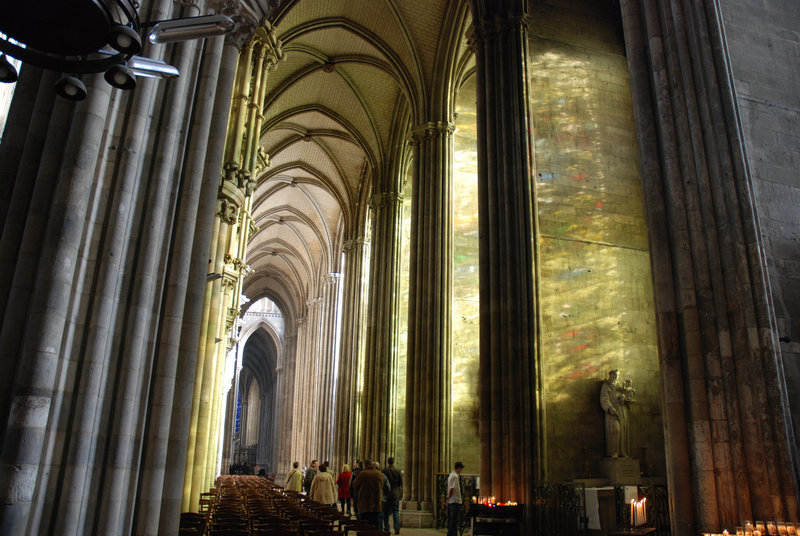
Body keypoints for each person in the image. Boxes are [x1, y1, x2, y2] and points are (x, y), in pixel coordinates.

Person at [600, 370, 634, 457]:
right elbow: (604, 398)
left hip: (622, 410)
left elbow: (629, 393)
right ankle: (613, 452)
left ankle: (623, 452)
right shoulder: (606, 386)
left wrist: (624, 398)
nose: (615, 376)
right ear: (610, 375)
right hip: (612, 411)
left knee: (623, 431)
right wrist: (610, 408)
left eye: (617, 375)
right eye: (614, 375)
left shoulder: (620, 386)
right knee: (615, 430)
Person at [351, 460, 384, 529]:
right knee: (375, 522)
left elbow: (355, 485)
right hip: (376, 502)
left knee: (365, 523)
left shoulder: (362, 474)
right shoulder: (379, 474)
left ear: (365, 466)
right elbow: (382, 485)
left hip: (364, 502)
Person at [382, 457, 403, 534]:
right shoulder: (397, 471)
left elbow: (383, 483)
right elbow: (400, 483)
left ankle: (387, 527)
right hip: (395, 493)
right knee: (395, 511)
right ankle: (397, 528)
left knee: (386, 512)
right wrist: (400, 493)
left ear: (388, 462)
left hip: (387, 494)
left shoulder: (384, 471)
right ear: (393, 462)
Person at [446, 461, 464, 536]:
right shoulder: (455, 476)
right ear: (459, 468)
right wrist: (448, 499)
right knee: (453, 521)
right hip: (454, 501)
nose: (461, 471)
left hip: (453, 500)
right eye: (461, 469)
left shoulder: (451, 475)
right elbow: (452, 488)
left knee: (454, 521)